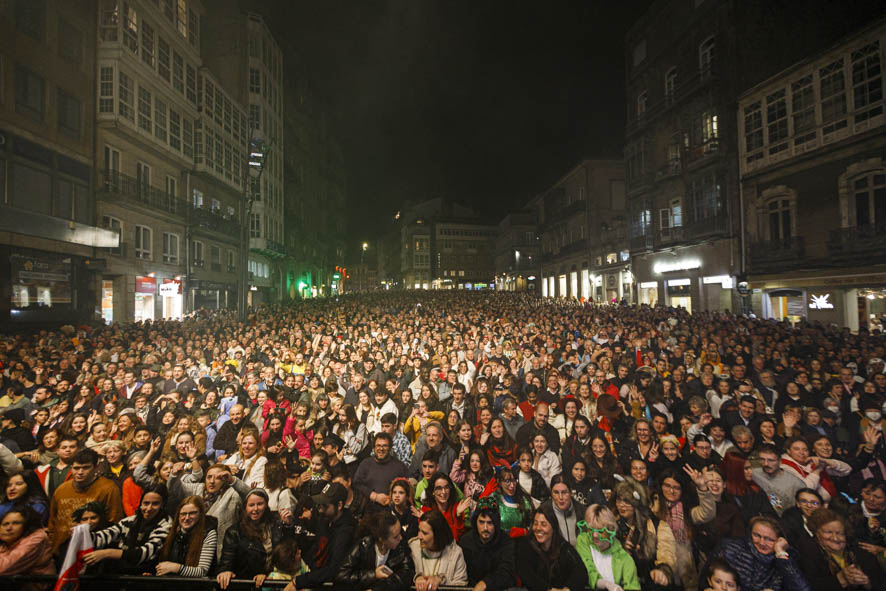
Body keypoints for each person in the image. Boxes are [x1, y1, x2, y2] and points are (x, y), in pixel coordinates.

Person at [701, 515, 812, 591]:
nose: (761, 542)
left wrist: (780, 554)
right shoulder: (729, 547)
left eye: (769, 539)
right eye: (757, 535)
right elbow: (705, 580)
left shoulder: (785, 560)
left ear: (780, 540)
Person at [47, 448, 124, 553]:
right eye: (76, 468)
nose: (80, 472)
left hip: (92, 550)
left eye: (86, 468)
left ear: (96, 468)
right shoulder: (61, 490)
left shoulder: (108, 489)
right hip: (61, 550)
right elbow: (52, 522)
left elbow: (115, 523)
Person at [83, 486, 172, 574]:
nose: (149, 508)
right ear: (141, 503)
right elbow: (106, 535)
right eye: (146, 503)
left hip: (147, 575)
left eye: (155, 504)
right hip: (123, 572)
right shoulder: (130, 521)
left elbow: (144, 554)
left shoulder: (166, 525)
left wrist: (107, 553)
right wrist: (82, 534)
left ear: (162, 505)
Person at [216, 490, 288, 589]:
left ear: (266, 504)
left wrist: (288, 525)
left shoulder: (276, 523)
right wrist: (225, 572)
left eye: (260, 504)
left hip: (274, 580)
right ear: (245, 507)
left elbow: (287, 552)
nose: (255, 509)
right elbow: (226, 563)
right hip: (248, 584)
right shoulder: (234, 532)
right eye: (251, 505)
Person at [611, 479, 675, 590]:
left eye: (627, 501)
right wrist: (620, 547)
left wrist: (663, 570)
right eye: (619, 500)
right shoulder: (611, 525)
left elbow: (667, 552)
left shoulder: (657, 525)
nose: (622, 505)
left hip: (650, 581)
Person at [796, 508, 881, 591]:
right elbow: (808, 587)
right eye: (828, 532)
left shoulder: (864, 556)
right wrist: (840, 580)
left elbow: (880, 585)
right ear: (817, 534)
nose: (835, 538)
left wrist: (867, 584)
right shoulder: (809, 557)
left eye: (840, 533)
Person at [514, 503, 587, 591]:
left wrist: (567, 589)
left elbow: (580, 571)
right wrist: (548, 590)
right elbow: (526, 573)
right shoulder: (525, 544)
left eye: (543, 524)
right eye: (535, 523)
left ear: (553, 527)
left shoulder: (563, 546)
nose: (538, 528)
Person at [336, 510, 415, 591]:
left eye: (400, 532)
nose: (400, 538)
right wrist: (373, 575)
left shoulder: (401, 547)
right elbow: (342, 576)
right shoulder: (363, 546)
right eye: (395, 537)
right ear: (381, 539)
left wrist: (378, 588)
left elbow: (407, 576)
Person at [576, 503, 641, 591]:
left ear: (611, 529)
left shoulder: (625, 559)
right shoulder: (584, 540)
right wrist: (607, 584)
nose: (595, 535)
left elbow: (633, 587)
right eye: (591, 530)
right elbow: (588, 571)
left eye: (600, 531)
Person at [458, 496, 516, 591]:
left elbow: (507, 574)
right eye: (481, 522)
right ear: (475, 521)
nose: (485, 528)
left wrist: (485, 583)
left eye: (490, 523)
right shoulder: (466, 541)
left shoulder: (506, 542)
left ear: (496, 524)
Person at [154, 495, 218, 577]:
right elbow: (162, 565)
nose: (187, 518)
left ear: (201, 514)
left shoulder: (209, 533)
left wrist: (176, 568)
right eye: (183, 514)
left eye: (192, 513)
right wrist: (154, 574)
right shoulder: (171, 532)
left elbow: (202, 571)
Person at [409, 509, 468, 591]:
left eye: (425, 533)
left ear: (438, 535)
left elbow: (461, 586)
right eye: (419, 530)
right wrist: (417, 578)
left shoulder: (455, 553)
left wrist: (441, 581)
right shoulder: (413, 548)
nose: (419, 536)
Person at [0, 505, 55, 578]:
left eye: (16, 523)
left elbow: (3, 568)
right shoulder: (8, 542)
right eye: (5, 524)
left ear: (27, 525)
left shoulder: (36, 538)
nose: (9, 528)